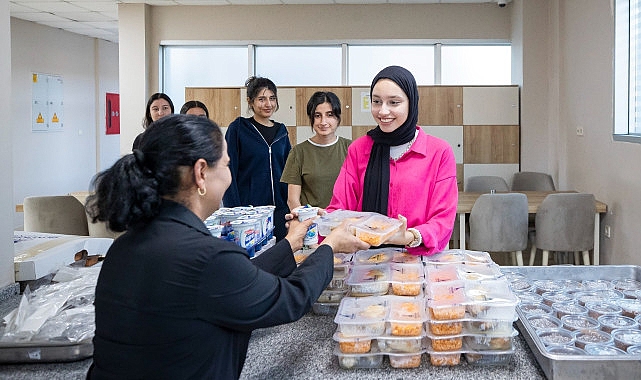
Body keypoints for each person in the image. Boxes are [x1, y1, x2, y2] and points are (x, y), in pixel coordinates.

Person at [85, 114, 368, 380]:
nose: (229, 175)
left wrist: (290, 243)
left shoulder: (127, 245)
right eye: (227, 165)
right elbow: (289, 299)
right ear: (200, 174)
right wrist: (329, 246)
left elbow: (236, 278)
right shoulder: (206, 257)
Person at [326, 65, 458, 256]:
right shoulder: (359, 149)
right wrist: (318, 220)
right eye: (377, 101)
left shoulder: (439, 152)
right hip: (365, 262)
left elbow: (443, 220)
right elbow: (340, 207)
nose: (383, 111)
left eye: (394, 102)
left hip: (416, 264)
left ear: (411, 103)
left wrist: (411, 236)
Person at [223, 76, 291, 241]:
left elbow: (289, 171)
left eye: (272, 98)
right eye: (261, 99)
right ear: (250, 101)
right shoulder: (238, 129)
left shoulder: (281, 132)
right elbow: (227, 170)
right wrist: (235, 213)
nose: (268, 104)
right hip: (249, 214)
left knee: (281, 260)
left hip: (280, 211)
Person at [281, 91, 351, 210]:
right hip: (311, 222)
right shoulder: (299, 152)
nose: (323, 122)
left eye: (329, 115)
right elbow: (292, 200)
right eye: (317, 116)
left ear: (338, 118)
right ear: (311, 118)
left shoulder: (351, 148)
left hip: (343, 221)